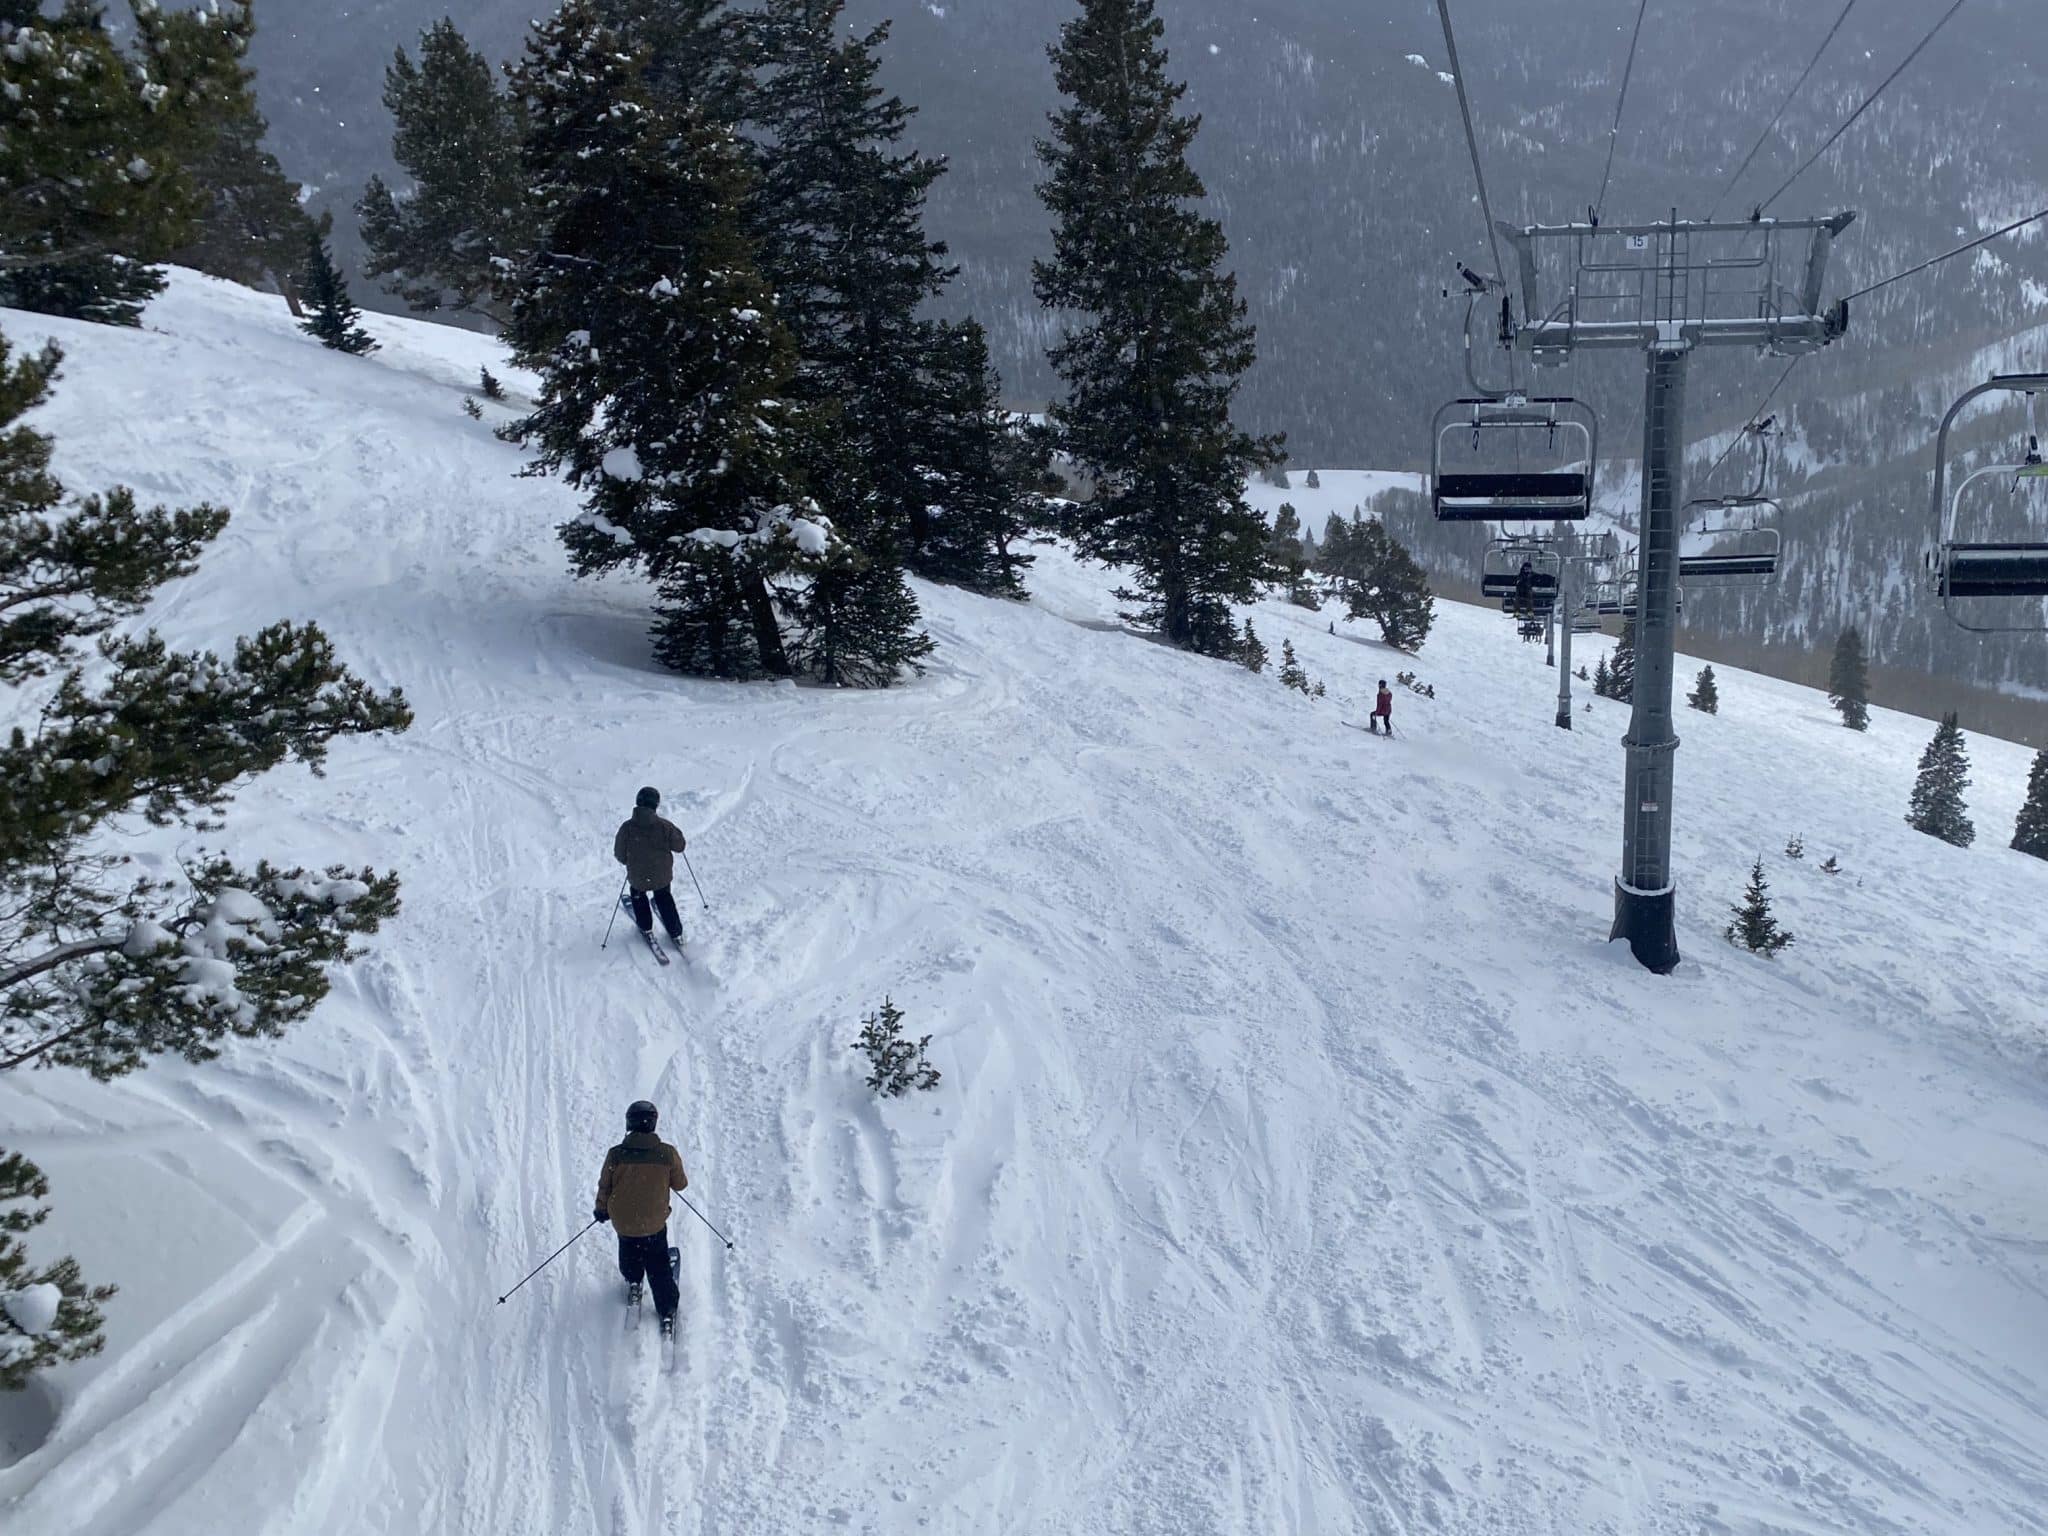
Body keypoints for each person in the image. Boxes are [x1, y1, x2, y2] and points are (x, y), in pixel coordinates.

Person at [594, 1099, 689, 1332]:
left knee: (629, 1248)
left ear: (629, 1123)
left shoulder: (616, 1155)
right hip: (654, 1224)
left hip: (624, 1222)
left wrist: (601, 1210)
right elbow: (681, 1184)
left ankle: (634, 1281)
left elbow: (605, 1186)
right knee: (658, 1265)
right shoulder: (667, 1153)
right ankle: (666, 1311)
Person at [615, 786, 687, 944]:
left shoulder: (627, 828)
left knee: (638, 897)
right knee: (664, 898)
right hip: (662, 876)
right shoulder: (664, 826)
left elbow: (619, 854)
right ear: (655, 805)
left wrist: (631, 862)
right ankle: (676, 933)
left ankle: (646, 927)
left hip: (637, 876)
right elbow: (680, 846)